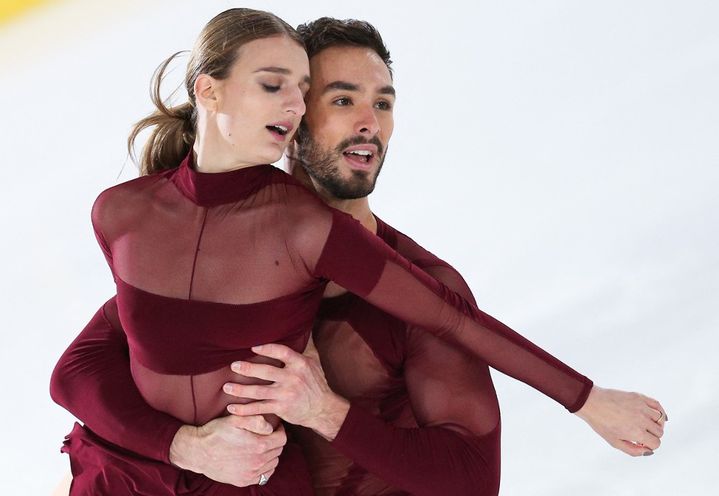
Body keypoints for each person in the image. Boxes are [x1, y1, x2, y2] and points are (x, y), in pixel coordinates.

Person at [51, 12, 667, 496]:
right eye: (341, 99)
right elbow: (81, 372)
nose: (369, 121)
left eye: (384, 102)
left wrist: (325, 411)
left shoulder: (415, 289)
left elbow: (473, 480)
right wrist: (184, 446)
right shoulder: (214, 249)